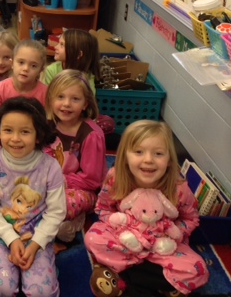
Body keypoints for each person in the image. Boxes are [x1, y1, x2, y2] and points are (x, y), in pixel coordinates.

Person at [84, 120, 209, 296]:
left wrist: (173, 233)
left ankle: (126, 277)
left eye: (158, 153)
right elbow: (103, 208)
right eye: (139, 152)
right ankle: (151, 281)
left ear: (169, 160)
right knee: (92, 239)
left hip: (162, 245)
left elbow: (191, 218)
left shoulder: (178, 187)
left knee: (198, 270)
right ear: (125, 156)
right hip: (126, 239)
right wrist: (120, 226)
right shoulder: (115, 177)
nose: (148, 160)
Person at [0, 97, 65, 297]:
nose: (15, 138)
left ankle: (46, 262)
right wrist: (10, 239)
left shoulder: (51, 167)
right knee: (1, 288)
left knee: (41, 292)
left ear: (39, 135)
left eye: (25, 131)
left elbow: (56, 212)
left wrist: (36, 244)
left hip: (38, 236)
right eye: (8, 130)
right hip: (1, 233)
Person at [44, 69, 107, 244]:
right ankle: (52, 223)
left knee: (59, 204)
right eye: (60, 97)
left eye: (75, 99)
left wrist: (60, 181)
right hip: (48, 182)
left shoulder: (91, 135)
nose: (66, 104)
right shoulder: (47, 124)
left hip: (80, 189)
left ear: (85, 104)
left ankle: (70, 222)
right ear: (51, 99)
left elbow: (92, 180)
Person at [0, 39, 48, 149]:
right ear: (12, 63)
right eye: (21, 62)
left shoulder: (45, 92)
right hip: (6, 140)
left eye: (33, 66)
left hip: (32, 144)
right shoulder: (1, 88)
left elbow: (45, 127)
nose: (25, 69)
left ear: (41, 69)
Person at [43, 29, 100, 93]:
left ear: (78, 54)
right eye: (59, 43)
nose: (55, 47)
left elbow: (90, 97)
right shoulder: (52, 70)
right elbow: (48, 95)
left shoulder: (87, 75)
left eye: (62, 45)